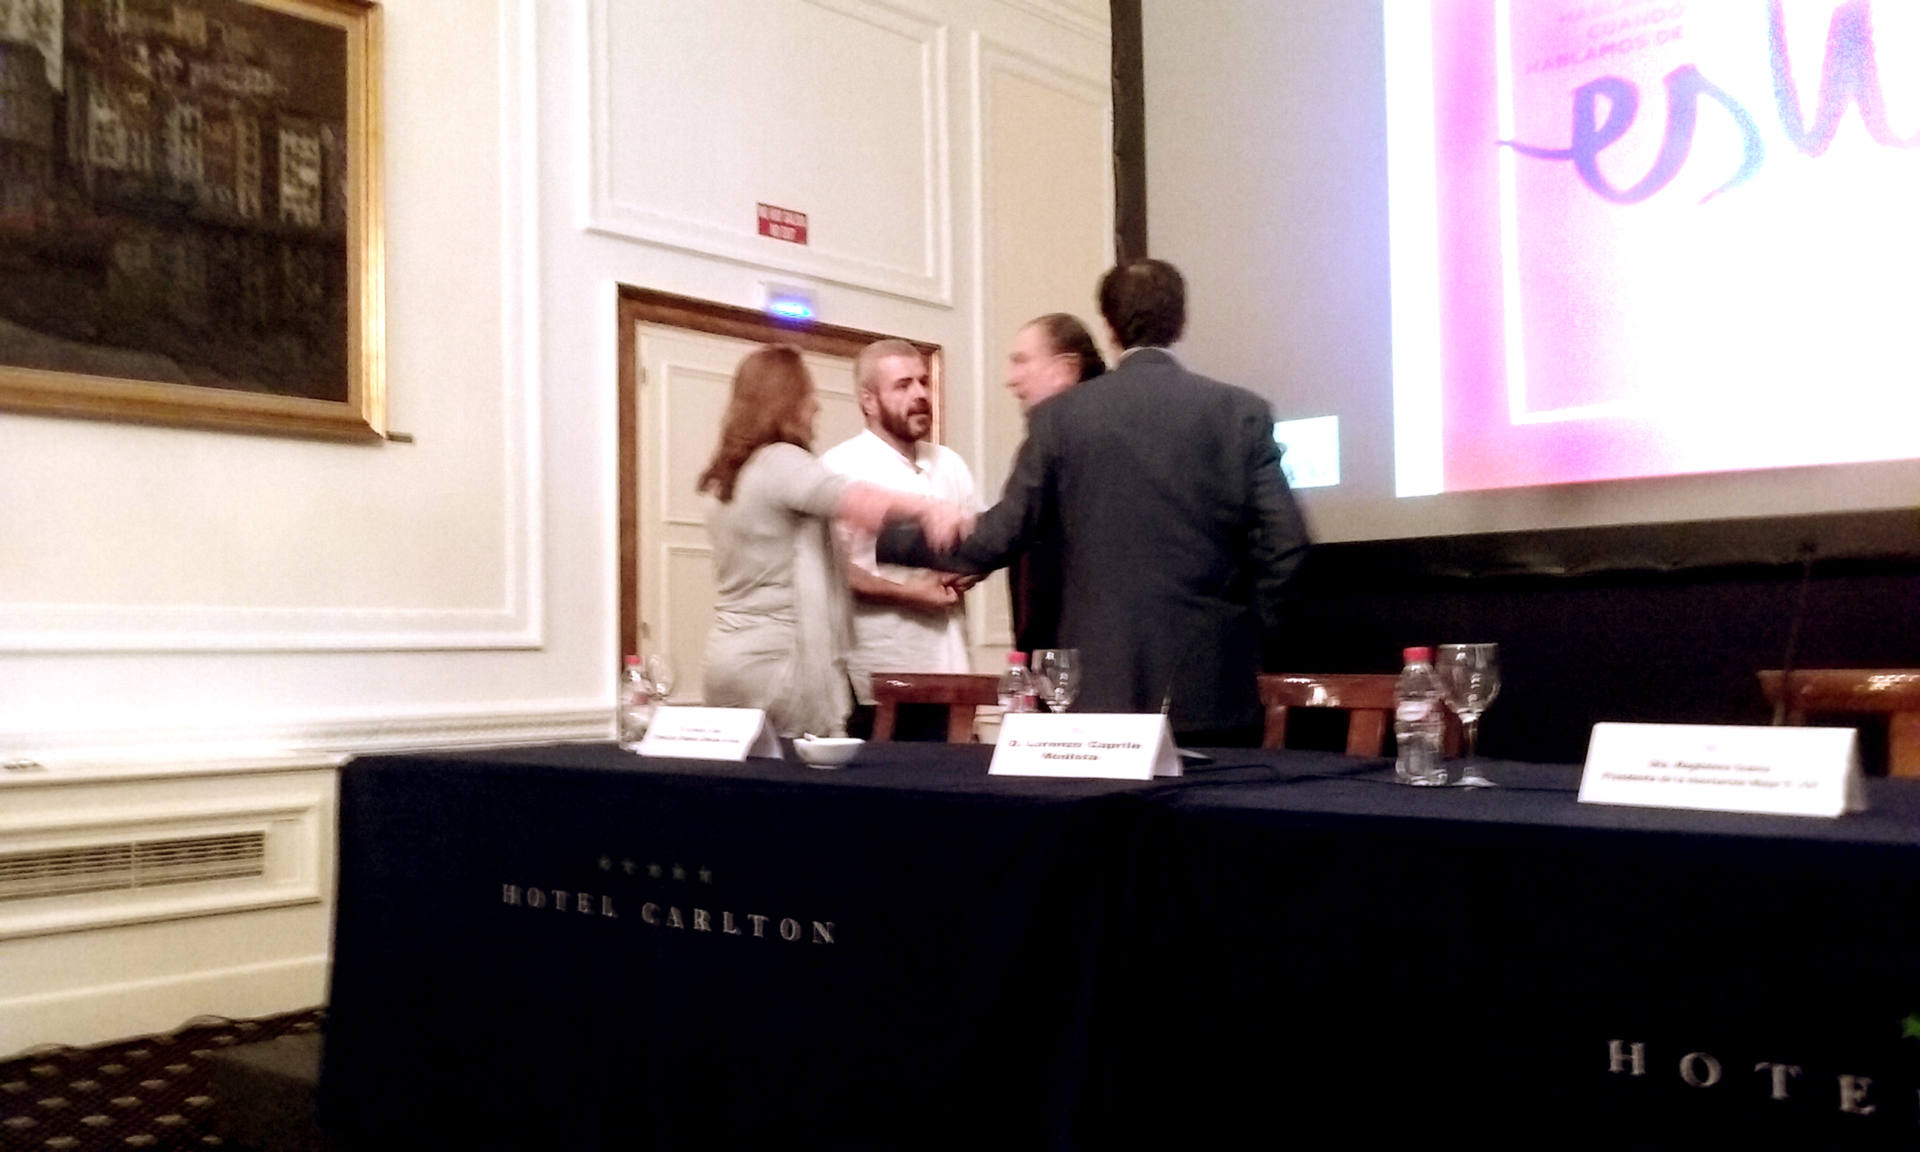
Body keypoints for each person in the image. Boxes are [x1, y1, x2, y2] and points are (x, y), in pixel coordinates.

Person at [880, 260, 1310, 745]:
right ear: (1181, 320)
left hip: (1100, 695)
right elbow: (1287, 544)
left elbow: (1000, 536)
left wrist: (889, 536)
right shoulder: (1242, 413)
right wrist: (1246, 633)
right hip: (1214, 688)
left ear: (1109, 326)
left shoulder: (1060, 419)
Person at [698, 344, 970, 738]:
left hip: (727, 658)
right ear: (788, 401)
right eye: (808, 395)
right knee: (802, 773)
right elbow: (857, 501)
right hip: (779, 663)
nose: (816, 407)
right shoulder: (779, 461)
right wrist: (931, 509)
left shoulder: (726, 474)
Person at [820, 341, 981, 731]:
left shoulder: (950, 463)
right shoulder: (839, 467)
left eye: (924, 382)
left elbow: (978, 545)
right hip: (878, 676)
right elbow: (831, 572)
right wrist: (910, 593)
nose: (920, 394)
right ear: (868, 401)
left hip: (951, 669)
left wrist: (970, 570)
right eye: (903, 385)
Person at [996, 313, 1106, 653]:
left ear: (1066, 369)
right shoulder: (1049, 444)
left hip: (1080, 655)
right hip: (1049, 655)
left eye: (1022, 361)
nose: (1010, 379)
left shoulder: (1096, 448)